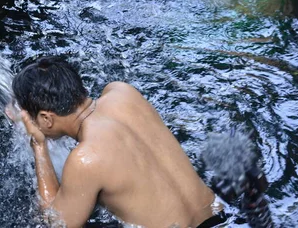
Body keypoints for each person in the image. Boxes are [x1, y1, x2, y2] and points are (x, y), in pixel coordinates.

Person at [12, 56, 224, 228]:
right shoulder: (122, 92)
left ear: (46, 119)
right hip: (225, 219)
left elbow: (55, 223)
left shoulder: (86, 160)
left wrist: (38, 145)